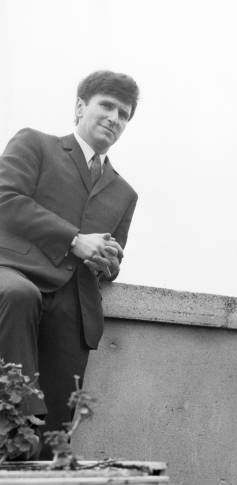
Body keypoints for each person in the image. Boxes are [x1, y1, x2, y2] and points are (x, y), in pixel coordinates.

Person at [0, 70, 139, 456]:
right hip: (14, 275)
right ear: (80, 107)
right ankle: (17, 423)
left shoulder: (126, 192)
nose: (115, 118)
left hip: (73, 304)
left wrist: (106, 260)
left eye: (124, 114)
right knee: (19, 295)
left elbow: (114, 260)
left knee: (56, 434)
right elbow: (6, 200)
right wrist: (74, 240)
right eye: (106, 106)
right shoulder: (35, 143)